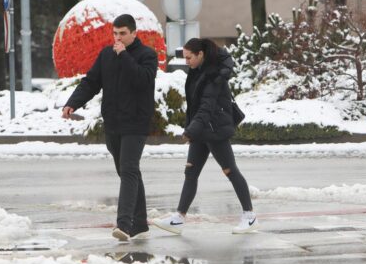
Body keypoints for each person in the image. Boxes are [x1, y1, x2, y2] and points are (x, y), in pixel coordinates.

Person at [62, 14, 158, 241]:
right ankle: (141, 223)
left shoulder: (147, 55)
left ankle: (124, 224)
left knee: (128, 169)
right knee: (128, 172)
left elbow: (142, 80)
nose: (118, 38)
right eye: (115, 33)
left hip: (136, 122)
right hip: (114, 122)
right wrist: (73, 103)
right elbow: (91, 82)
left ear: (134, 33)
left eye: (123, 33)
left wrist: (124, 55)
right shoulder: (106, 55)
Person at [153, 38, 257, 235]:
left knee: (230, 171)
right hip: (201, 130)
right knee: (190, 173)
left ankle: (250, 216)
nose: (187, 62)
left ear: (201, 54)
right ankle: (178, 218)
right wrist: (193, 129)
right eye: (185, 58)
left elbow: (206, 108)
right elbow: (195, 106)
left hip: (214, 130)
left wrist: (190, 130)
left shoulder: (212, 76)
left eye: (189, 57)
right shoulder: (197, 70)